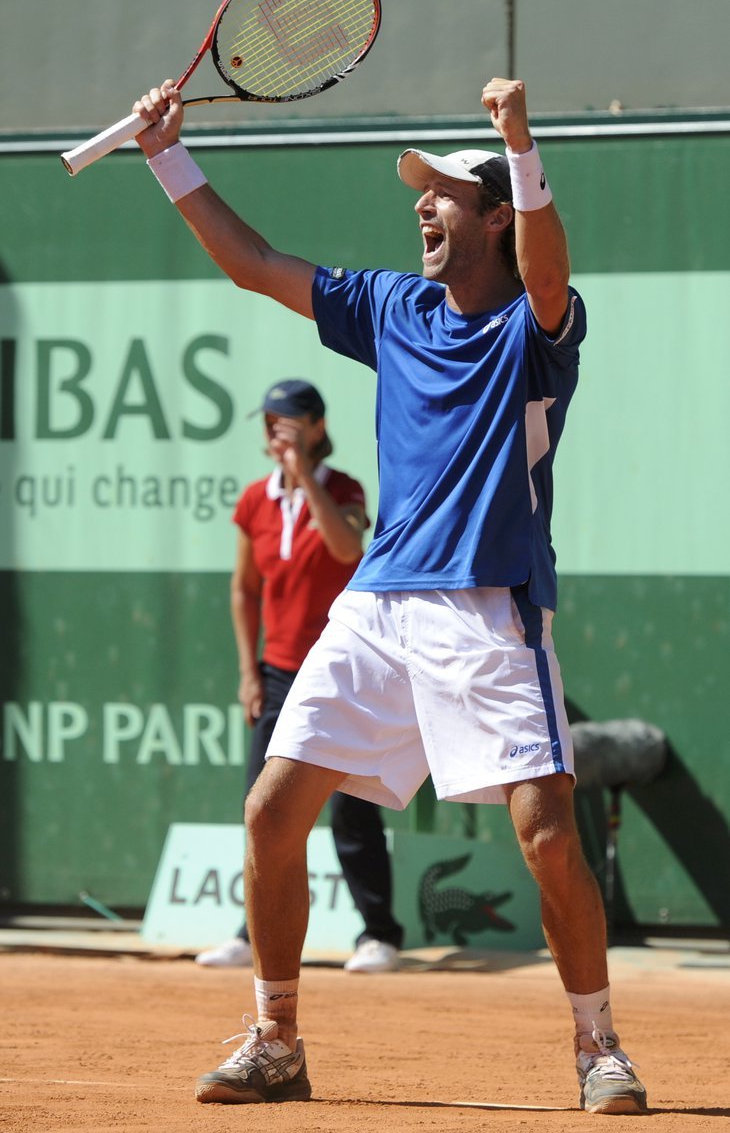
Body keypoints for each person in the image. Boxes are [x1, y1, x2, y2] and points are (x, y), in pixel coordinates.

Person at [132, 75, 647, 1116]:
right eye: (420, 192)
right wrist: (165, 156)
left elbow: (548, 273)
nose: (422, 203)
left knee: (546, 832)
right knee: (273, 811)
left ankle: (596, 1044)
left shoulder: (535, 329)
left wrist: (519, 140)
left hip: (488, 606)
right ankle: (276, 1037)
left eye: (445, 192)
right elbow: (255, 265)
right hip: (375, 606)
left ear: (494, 216)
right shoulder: (390, 307)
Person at [195, 377, 403, 974]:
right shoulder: (254, 501)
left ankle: (380, 934)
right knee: (263, 806)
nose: (273, 430)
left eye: (285, 420)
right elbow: (244, 590)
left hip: (344, 670)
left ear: (315, 426)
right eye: (267, 420)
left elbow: (345, 550)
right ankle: (250, 931)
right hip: (279, 672)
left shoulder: (345, 490)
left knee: (351, 807)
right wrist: (248, 671)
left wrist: (304, 476)